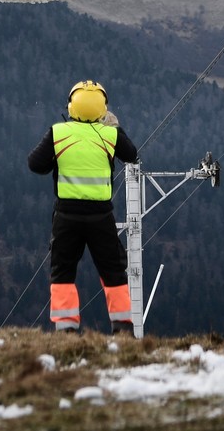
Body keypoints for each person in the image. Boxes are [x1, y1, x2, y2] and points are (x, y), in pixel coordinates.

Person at [28, 80, 140, 334]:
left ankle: (66, 329)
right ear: (103, 109)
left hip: (67, 216)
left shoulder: (58, 133)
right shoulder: (110, 135)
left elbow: (35, 164)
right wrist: (116, 129)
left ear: (71, 105)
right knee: (113, 271)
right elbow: (132, 154)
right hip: (101, 217)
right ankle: (123, 327)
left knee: (63, 271)